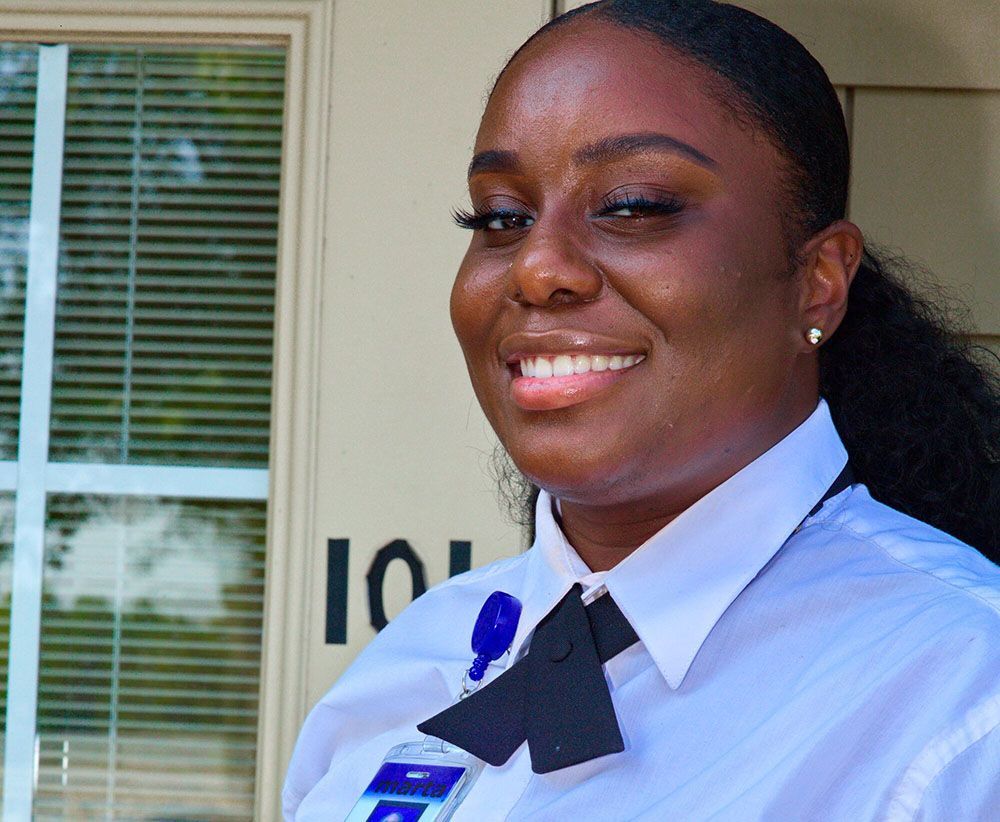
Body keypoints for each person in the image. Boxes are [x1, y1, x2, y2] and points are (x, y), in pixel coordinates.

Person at [283, 1, 1000, 818]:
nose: (537, 266)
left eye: (632, 205)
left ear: (819, 281)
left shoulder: (959, 704)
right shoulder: (410, 664)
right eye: (501, 217)